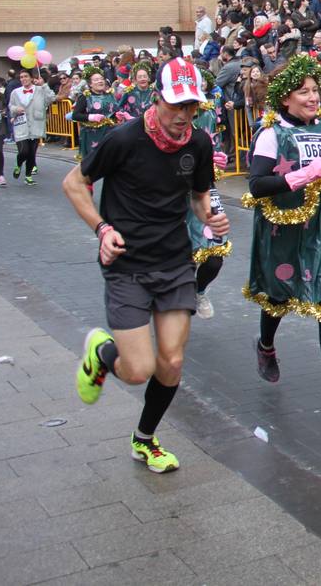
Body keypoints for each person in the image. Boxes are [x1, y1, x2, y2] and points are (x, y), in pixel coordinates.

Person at [64, 58, 229, 473]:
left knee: (172, 363)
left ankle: (145, 439)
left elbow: (198, 195)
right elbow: (73, 183)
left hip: (174, 261)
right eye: (176, 106)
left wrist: (210, 215)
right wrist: (102, 229)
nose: (184, 116)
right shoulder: (124, 139)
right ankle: (102, 353)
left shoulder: (199, 143)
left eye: (191, 107)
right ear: (156, 99)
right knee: (138, 371)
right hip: (127, 265)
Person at [242, 54, 321, 419]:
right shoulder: (271, 132)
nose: (314, 97)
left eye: (316, 90)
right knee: (278, 297)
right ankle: (265, 345)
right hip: (282, 228)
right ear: (285, 98)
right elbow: (257, 183)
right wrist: (297, 177)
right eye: (304, 91)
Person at [188, 72, 230, 320]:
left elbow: (214, 146)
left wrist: (216, 160)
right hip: (176, 197)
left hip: (205, 190)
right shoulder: (161, 123)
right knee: (185, 257)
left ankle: (199, 291)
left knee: (215, 256)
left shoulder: (207, 116)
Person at [7, 68, 53, 185]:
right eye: (21, 77)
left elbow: (51, 99)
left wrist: (44, 86)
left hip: (36, 125)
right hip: (21, 126)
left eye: (26, 76)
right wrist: (16, 109)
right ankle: (18, 164)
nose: (23, 79)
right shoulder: (15, 92)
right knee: (24, 151)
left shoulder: (40, 90)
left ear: (32, 78)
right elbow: (11, 106)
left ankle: (28, 176)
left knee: (32, 153)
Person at [74, 66, 120, 161]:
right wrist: (91, 117)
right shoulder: (85, 97)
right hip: (91, 135)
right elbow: (76, 115)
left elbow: (114, 112)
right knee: (93, 161)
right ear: (90, 84)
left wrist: (119, 115)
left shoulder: (110, 95)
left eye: (101, 79)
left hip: (108, 133)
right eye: (96, 80)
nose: (100, 81)